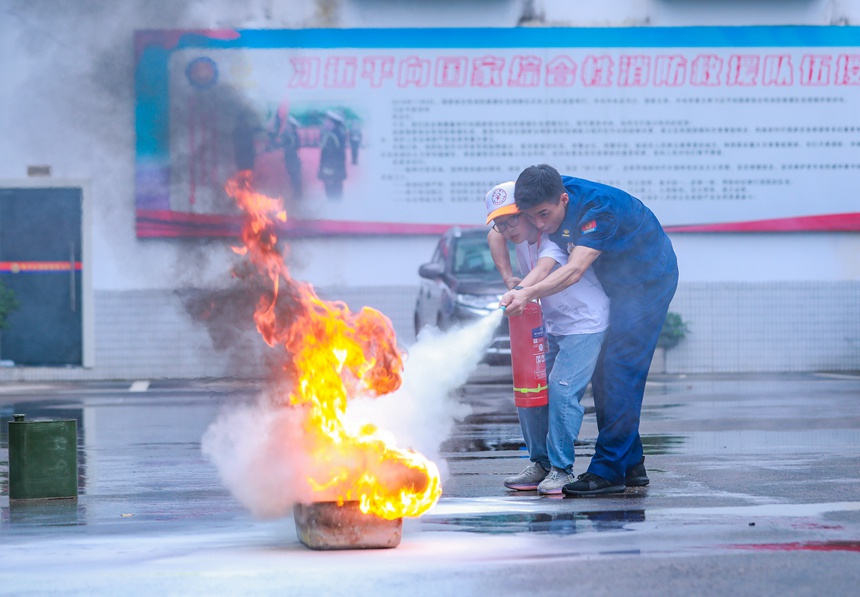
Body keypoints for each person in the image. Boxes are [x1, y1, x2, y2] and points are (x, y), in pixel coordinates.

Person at [500, 164, 679, 497]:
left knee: (619, 372)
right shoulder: (544, 196)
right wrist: (512, 277)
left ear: (563, 199)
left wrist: (526, 293)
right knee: (604, 375)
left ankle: (608, 471)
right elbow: (498, 229)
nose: (539, 225)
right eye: (531, 217)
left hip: (647, 282)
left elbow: (575, 270)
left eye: (543, 215)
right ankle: (631, 463)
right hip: (617, 283)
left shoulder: (600, 209)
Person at [485, 181, 609, 495]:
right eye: (500, 221)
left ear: (528, 213)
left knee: (561, 390)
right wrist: (507, 275)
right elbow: (493, 237)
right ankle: (539, 463)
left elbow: (544, 269)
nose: (506, 228)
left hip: (585, 321)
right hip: (552, 324)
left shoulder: (552, 237)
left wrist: (521, 290)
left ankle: (561, 470)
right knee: (530, 388)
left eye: (512, 218)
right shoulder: (511, 234)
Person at [318, 111, 347, 199]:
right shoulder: (337, 134)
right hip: (337, 172)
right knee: (337, 195)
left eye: (328, 121)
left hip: (331, 172)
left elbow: (330, 157)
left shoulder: (331, 137)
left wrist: (329, 175)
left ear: (333, 123)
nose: (325, 123)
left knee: (332, 196)